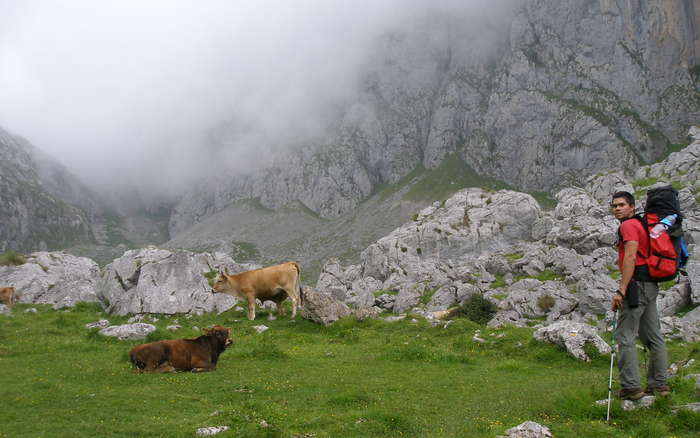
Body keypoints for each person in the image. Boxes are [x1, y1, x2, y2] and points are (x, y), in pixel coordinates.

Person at [610, 191, 670, 400]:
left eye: (621, 205)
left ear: (632, 207)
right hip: (651, 285)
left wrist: (621, 289)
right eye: (614, 205)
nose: (617, 208)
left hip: (637, 286)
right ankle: (659, 385)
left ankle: (631, 387)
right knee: (653, 336)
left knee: (624, 335)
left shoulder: (627, 226)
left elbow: (630, 256)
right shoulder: (642, 225)